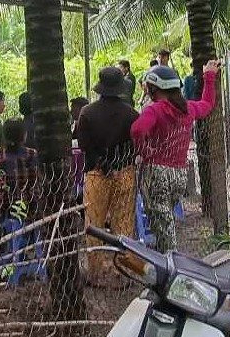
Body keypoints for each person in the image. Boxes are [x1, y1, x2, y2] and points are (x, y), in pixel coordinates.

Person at [132, 60, 221, 252]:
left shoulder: (154, 109)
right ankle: (166, 255)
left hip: (157, 173)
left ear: (154, 88)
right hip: (180, 174)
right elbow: (207, 104)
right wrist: (209, 76)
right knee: (165, 219)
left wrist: (145, 151)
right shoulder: (187, 108)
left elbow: (137, 130)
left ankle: (170, 264)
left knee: (162, 224)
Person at [75, 67, 140, 279]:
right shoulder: (131, 114)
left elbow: (85, 146)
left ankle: (96, 270)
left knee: (94, 224)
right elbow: (135, 145)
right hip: (124, 172)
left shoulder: (86, 113)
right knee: (123, 223)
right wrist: (117, 164)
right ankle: (123, 270)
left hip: (96, 174)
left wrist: (103, 165)